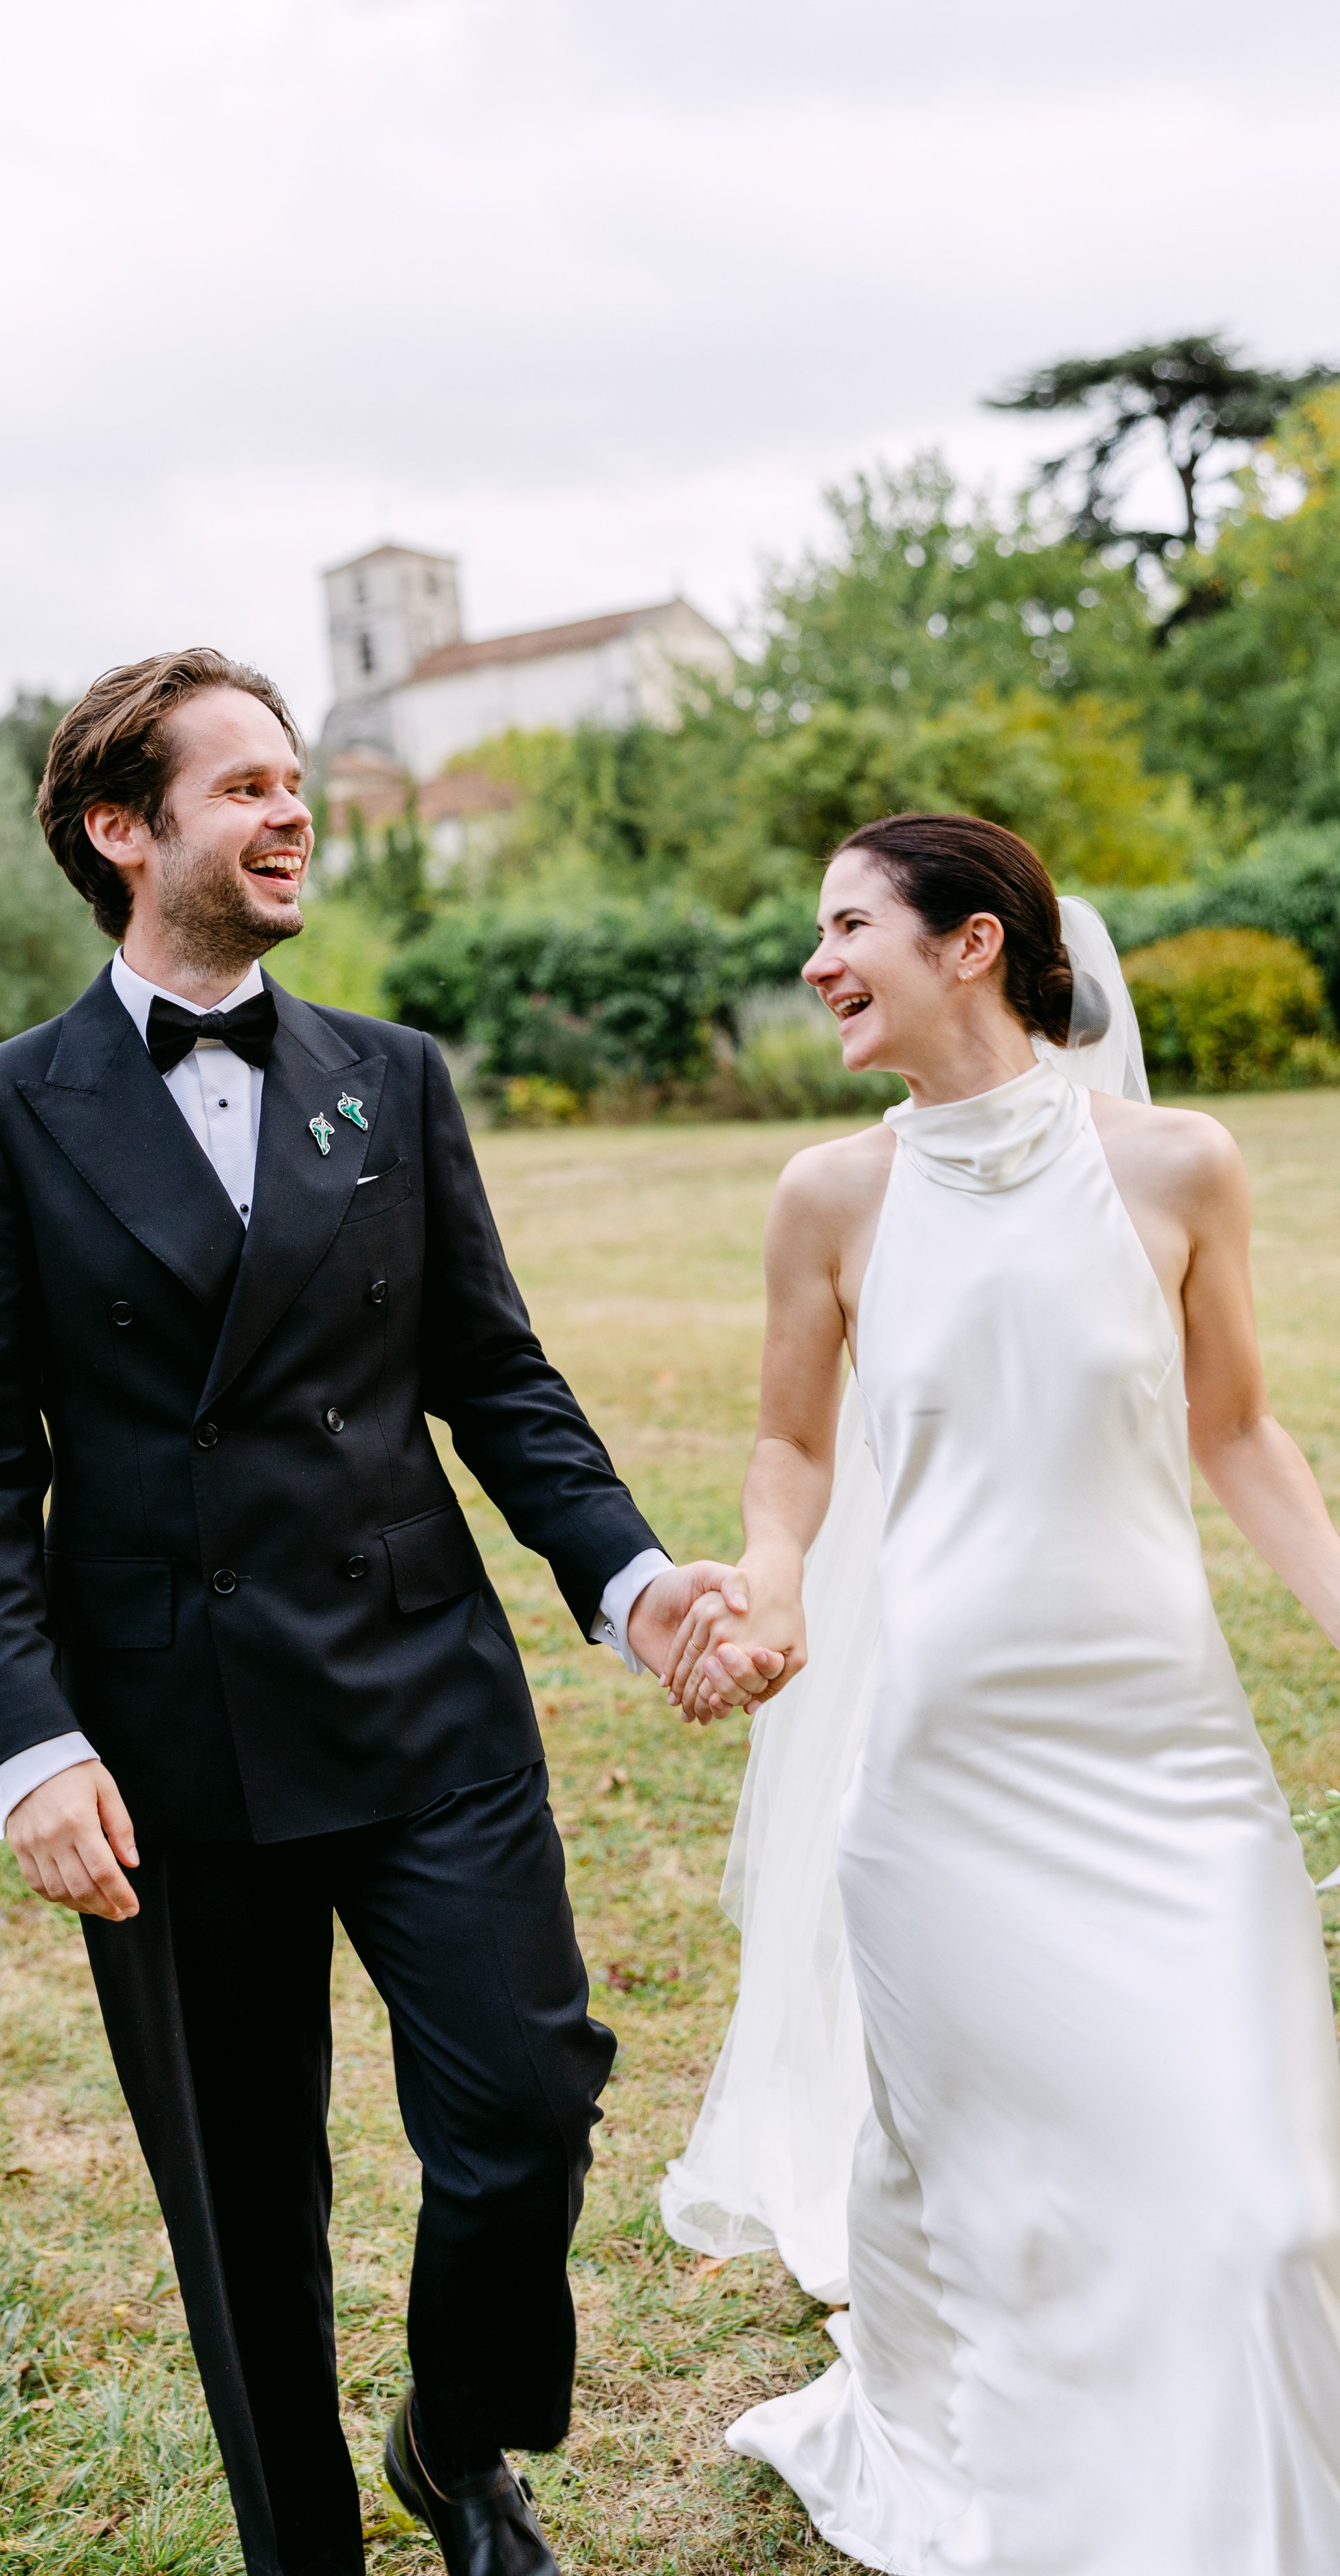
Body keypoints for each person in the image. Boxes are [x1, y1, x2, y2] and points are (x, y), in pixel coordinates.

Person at [0, 648, 761, 2576]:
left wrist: (630, 1581)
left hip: (421, 1694)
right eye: (245, 788)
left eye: (298, 782)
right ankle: (302, 2544)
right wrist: (26, 1739)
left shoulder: (390, 1074)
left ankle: (456, 2440)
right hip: (164, 1732)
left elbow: (497, 1378)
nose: (293, 813)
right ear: (124, 831)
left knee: (528, 2096)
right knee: (243, 2198)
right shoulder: (2, 1113)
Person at [659, 813, 1340, 2574]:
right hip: (939, 1778)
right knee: (996, 2181)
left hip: (1165, 1760)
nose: (815, 964)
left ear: (970, 943)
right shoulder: (829, 1195)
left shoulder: (1175, 1169)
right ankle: (1023, 2460)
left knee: (1267, 2210)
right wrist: (778, 1581)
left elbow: (1237, 1431)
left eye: (845, 927)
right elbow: (785, 1446)